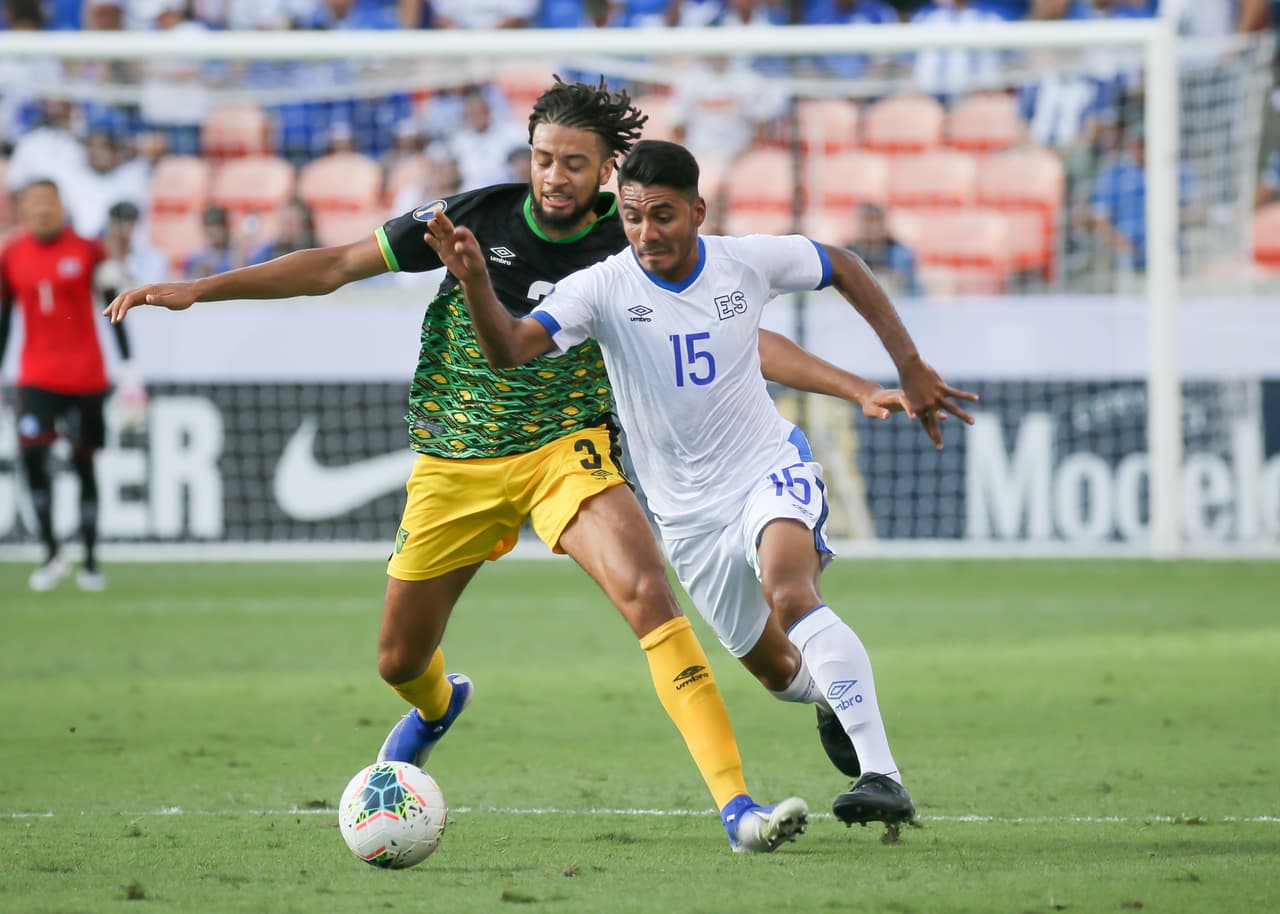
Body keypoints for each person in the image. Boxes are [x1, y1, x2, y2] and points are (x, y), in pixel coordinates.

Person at [103, 78, 838, 853]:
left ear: (607, 170)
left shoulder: (633, 246)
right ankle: (435, 705)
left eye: (575, 164)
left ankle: (737, 810)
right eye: (544, 158)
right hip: (455, 459)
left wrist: (853, 385)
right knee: (398, 661)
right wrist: (199, 290)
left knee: (649, 596)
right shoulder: (469, 220)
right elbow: (335, 266)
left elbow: (726, 335)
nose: (555, 176)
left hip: (566, 451)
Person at [423, 139, 979, 829]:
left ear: (697, 211)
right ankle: (834, 697)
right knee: (778, 674)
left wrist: (908, 366)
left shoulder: (745, 262)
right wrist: (476, 281)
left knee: (790, 592)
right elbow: (509, 349)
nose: (646, 233)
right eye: (632, 217)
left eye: (662, 215)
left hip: (766, 468)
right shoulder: (601, 288)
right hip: (687, 520)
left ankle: (882, 775)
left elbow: (844, 264)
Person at [0, 179, 145, 592]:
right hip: (36, 377)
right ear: (24, 209)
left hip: (86, 377)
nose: (43, 210)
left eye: (50, 202)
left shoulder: (87, 250)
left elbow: (114, 308)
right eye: (35, 203)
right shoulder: (11, 255)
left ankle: (91, 561)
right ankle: (50, 554)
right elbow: (4, 320)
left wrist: (129, 368)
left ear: (61, 206)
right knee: (33, 458)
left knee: (84, 464)